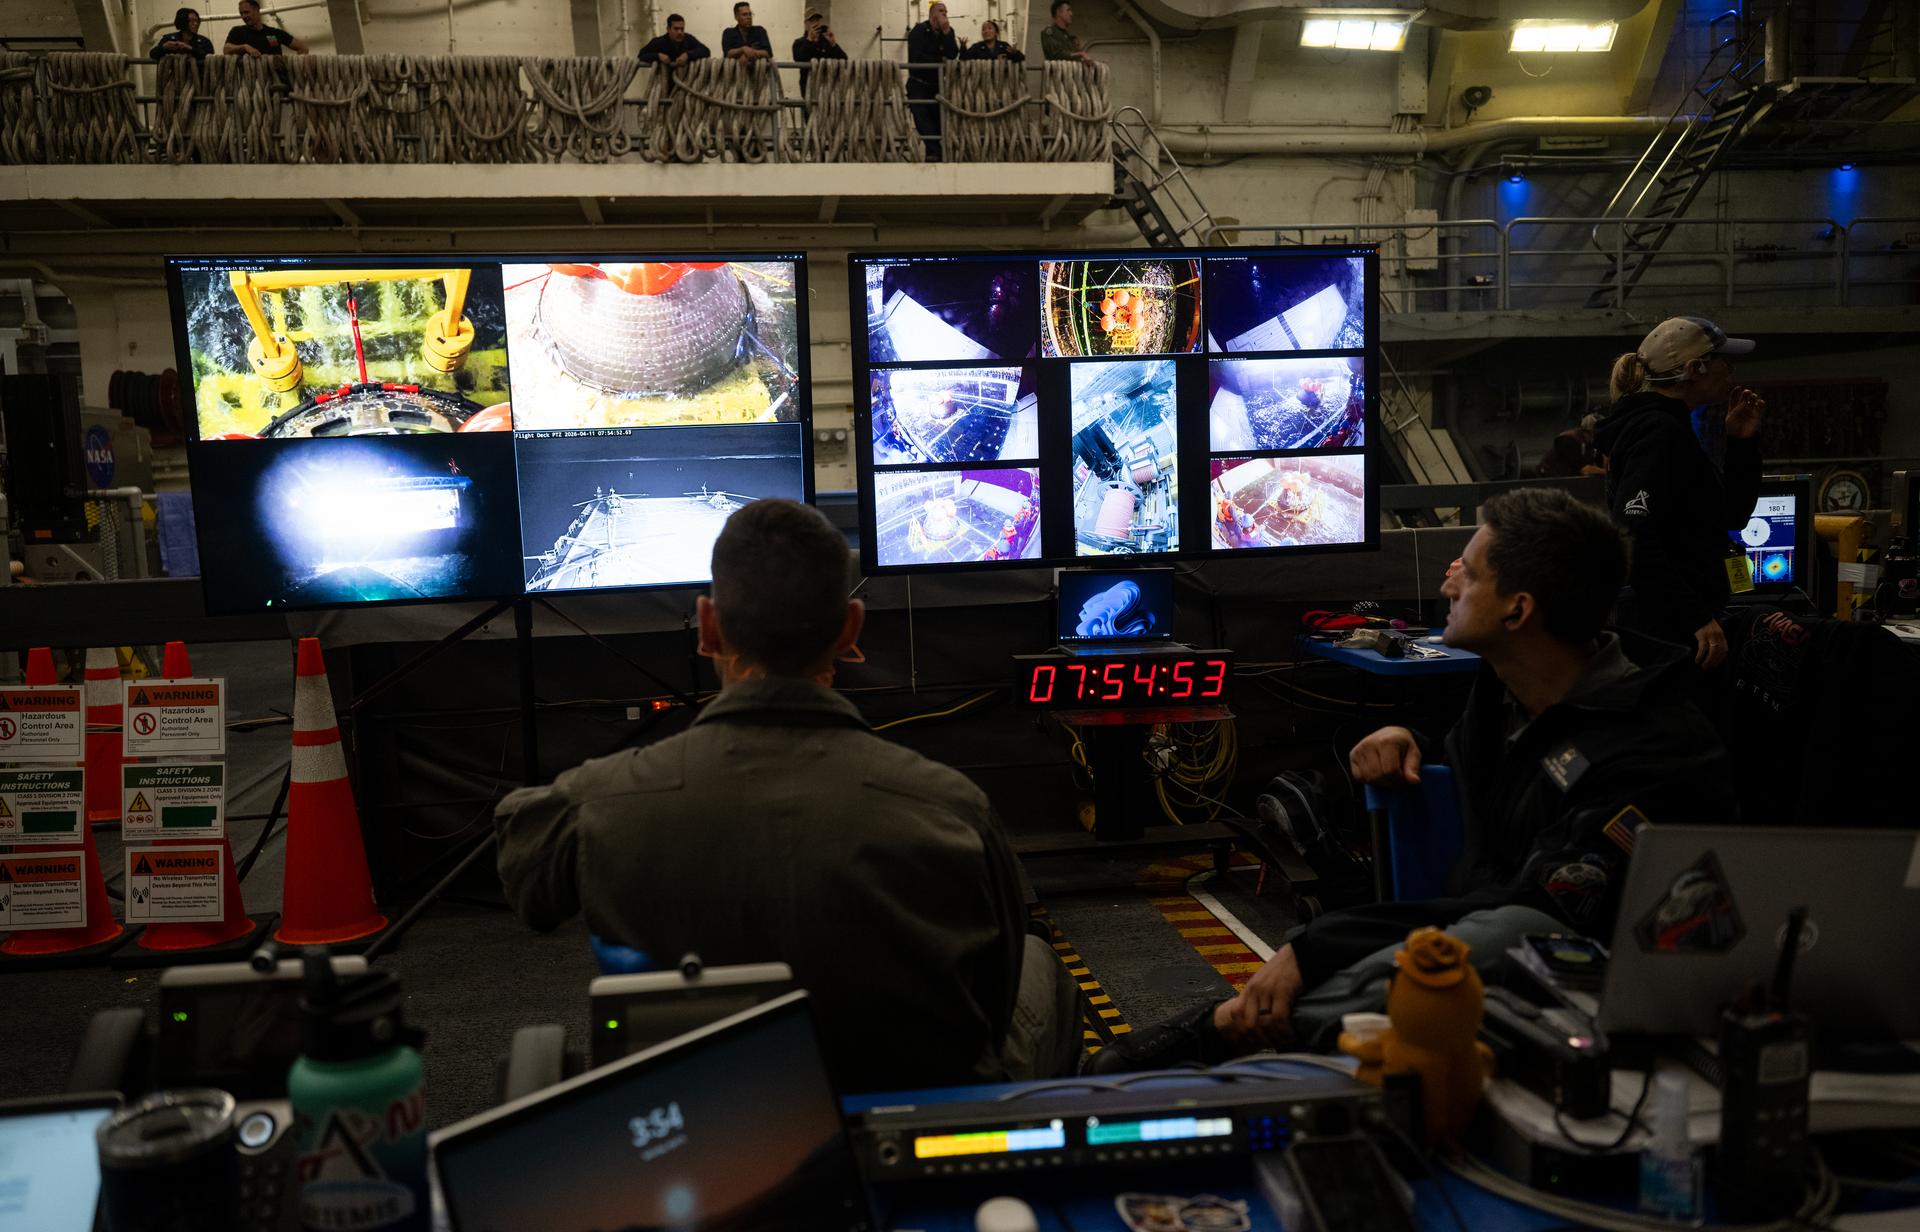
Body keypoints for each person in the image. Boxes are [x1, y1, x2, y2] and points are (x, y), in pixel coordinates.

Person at [1097, 487, 1737, 1068]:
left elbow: (1532, 916)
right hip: (1483, 931)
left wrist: (1321, 946)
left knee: (1403, 969)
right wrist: (1416, 740)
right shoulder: (1508, 694)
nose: (1450, 577)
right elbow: (1514, 770)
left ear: (1518, 611)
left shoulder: (1654, 751)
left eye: (1471, 569)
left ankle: (1233, 1039)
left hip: (1586, 991)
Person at [494, 499, 1080, 1094]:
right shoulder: (953, 810)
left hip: (694, 1132)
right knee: (1041, 966)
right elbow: (992, 998)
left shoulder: (595, 804)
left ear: (708, 625)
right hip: (911, 1127)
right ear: (851, 628)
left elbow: (527, 885)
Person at [1595, 317, 1766, 668]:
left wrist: (1741, 445)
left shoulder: (1673, 427)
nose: (1730, 370)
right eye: (1722, 361)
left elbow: (1730, 515)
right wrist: (1694, 616)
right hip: (1668, 631)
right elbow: (1632, 535)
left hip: (1679, 620)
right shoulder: (1658, 432)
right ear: (1695, 368)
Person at [906, 1, 962, 160]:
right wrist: (939, 59)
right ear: (932, 15)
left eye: (946, 11)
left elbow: (952, 55)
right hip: (918, 83)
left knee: (939, 120)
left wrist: (946, 32)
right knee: (922, 119)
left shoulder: (948, 32)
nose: (944, 13)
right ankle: (934, 152)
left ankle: (937, 153)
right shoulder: (919, 31)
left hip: (937, 85)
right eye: (941, 11)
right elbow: (917, 58)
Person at [223, 0, 307, 55]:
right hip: (251, 81)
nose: (244, 16)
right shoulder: (238, 32)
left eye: (246, 12)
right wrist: (244, 47)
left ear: (257, 11)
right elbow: (226, 50)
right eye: (241, 13)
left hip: (277, 81)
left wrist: (295, 69)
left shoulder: (274, 33)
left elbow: (303, 49)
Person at [790, 10, 846, 92]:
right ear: (806, 24)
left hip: (828, 88)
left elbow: (844, 61)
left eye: (817, 20)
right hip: (808, 87)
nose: (815, 23)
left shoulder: (826, 42)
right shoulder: (799, 43)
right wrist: (809, 40)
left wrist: (833, 44)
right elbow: (799, 59)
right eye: (812, 20)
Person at [1535, 413, 1605, 478]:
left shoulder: (1589, 443)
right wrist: (1607, 472)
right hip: (1550, 477)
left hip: (1563, 478)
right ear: (1591, 432)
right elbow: (1586, 470)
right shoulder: (1569, 440)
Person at [638, 13, 711, 67]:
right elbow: (641, 55)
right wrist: (658, 56)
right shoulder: (659, 42)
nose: (680, 32)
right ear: (668, 29)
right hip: (666, 82)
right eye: (676, 29)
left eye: (682, 29)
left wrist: (688, 55)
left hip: (685, 81)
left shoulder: (688, 39)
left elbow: (706, 51)